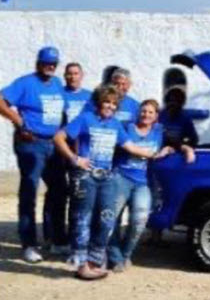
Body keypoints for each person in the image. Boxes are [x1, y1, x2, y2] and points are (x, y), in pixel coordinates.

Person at [53, 86, 156, 280]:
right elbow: (59, 137)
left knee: (107, 219)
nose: (109, 106)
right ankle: (81, 264)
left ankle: (94, 261)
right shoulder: (85, 119)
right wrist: (75, 159)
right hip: (86, 177)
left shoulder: (116, 125)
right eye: (106, 102)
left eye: (113, 104)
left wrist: (155, 154)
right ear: (99, 103)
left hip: (107, 177)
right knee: (83, 219)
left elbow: (130, 146)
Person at [0, 46, 68, 262]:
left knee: (59, 190)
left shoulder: (57, 83)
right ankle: (29, 244)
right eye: (46, 62)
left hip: (53, 144)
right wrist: (19, 122)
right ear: (38, 63)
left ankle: (56, 240)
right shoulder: (25, 83)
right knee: (29, 190)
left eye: (53, 63)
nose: (50, 66)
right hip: (32, 143)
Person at [108, 100, 173, 272]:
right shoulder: (127, 128)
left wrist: (175, 148)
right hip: (121, 177)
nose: (146, 115)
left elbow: (175, 142)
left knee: (140, 219)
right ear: (138, 112)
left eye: (150, 112)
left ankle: (126, 253)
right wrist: (153, 154)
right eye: (143, 111)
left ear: (156, 116)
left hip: (142, 181)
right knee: (112, 218)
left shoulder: (159, 131)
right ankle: (115, 256)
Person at [159, 85, 198, 164]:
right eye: (170, 101)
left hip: (178, 149)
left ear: (181, 103)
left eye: (176, 101)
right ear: (166, 101)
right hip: (161, 150)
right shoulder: (160, 116)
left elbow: (194, 139)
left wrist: (185, 148)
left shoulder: (185, 118)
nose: (173, 103)